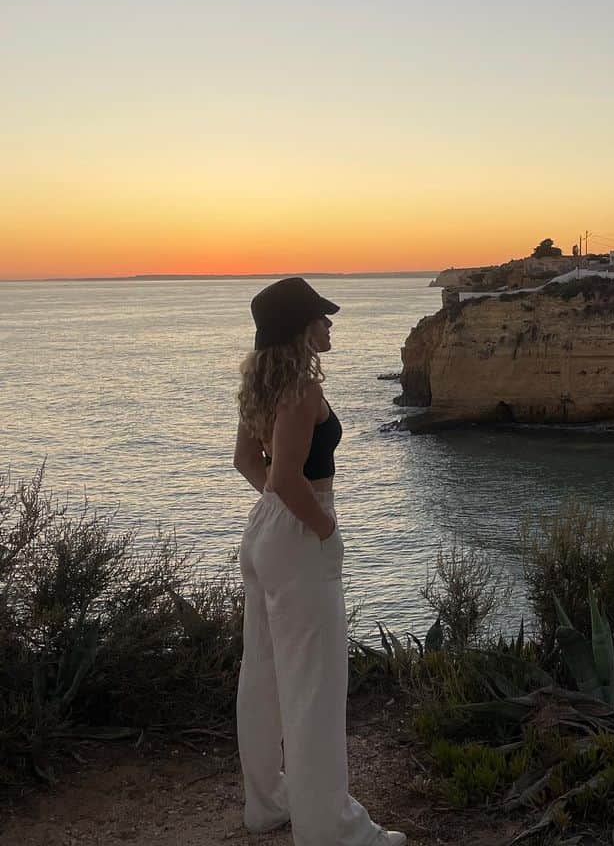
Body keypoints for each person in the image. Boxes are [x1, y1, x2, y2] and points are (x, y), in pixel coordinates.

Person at [232, 277, 406, 845]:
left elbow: (246, 461)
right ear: (300, 329)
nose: (330, 325)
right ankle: (330, 830)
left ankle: (267, 803)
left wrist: (279, 510)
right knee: (315, 686)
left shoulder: (261, 384)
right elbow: (285, 475)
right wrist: (322, 525)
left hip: (265, 531)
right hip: (301, 529)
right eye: (321, 318)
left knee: (263, 674)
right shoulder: (302, 389)